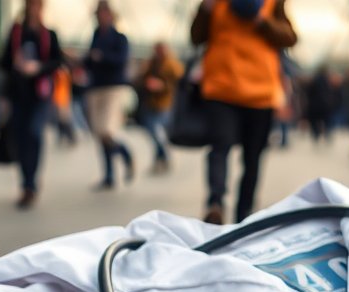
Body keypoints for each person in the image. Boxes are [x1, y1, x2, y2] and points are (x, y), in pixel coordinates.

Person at [190, 0, 296, 225]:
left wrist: (263, 22)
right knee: (220, 146)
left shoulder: (272, 4)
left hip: (260, 92)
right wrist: (204, 10)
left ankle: (244, 212)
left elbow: (289, 37)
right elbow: (196, 37)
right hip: (221, 87)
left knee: (252, 156)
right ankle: (215, 204)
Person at [1, 0, 61, 210]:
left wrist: (38, 67)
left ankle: (31, 183)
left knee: (34, 133)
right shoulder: (16, 32)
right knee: (20, 137)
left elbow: (57, 61)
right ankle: (25, 181)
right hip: (19, 94)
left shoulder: (49, 34)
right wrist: (15, 63)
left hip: (40, 95)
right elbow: (3, 61)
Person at [84, 1, 133, 189]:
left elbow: (121, 60)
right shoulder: (96, 35)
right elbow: (90, 61)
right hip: (95, 87)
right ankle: (109, 175)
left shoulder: (120, 38)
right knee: (98, 134)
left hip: (113, 88)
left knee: (106, 130)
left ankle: (124, 152)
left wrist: (101, 56)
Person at [134, 42, 182, 174]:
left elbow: (178, 84)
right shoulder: (151, 63)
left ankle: (164, 157)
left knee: (157, 131)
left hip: (165, 103)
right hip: (150, 103)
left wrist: (162, 86)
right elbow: (141, 79)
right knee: (153, 133)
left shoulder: (172, 64)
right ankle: (161, 158)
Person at [304, 65, 339, 143]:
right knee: (327, 121)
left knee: (315, 121)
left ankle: (316, 134)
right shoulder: (328, 81)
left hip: (314, 105)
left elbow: (309, 93)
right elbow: (332, 93)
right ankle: (327, 134)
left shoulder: (313, 80)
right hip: (325, 105)